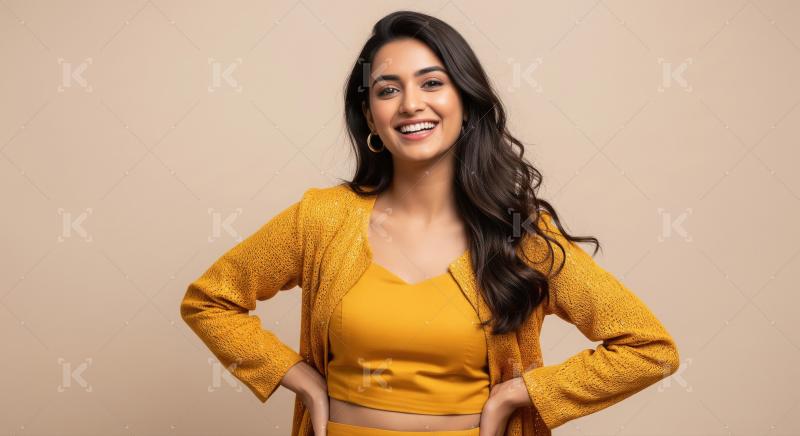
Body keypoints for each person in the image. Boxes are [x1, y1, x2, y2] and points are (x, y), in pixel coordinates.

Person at [180, 10, 680, 436]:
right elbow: (209, 301)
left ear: (465, 100)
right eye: (387, 89)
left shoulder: (519, 235)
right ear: (371, 117)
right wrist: (296, 376)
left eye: (432, 82)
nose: (411, 103)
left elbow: (649, 348)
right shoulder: (322, 219)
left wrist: (519, 393)